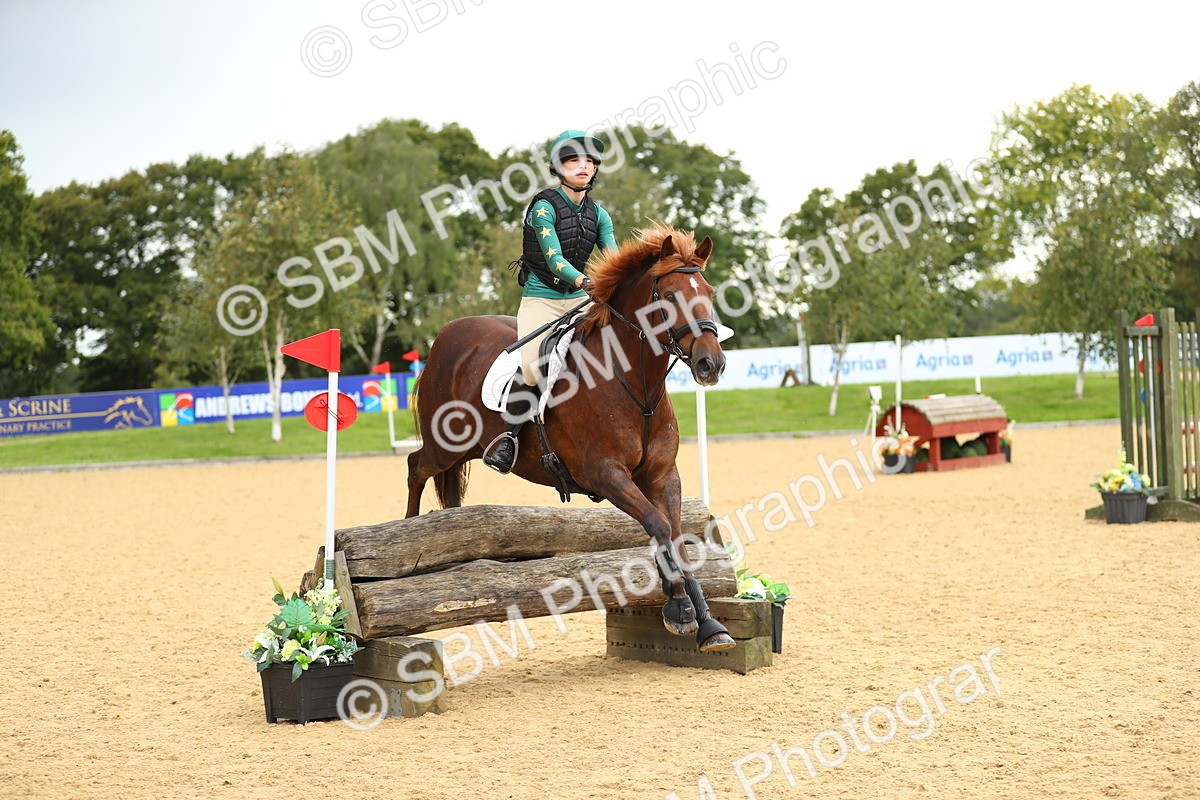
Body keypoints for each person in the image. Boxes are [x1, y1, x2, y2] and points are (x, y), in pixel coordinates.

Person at [483, 130, 618, 473]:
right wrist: (588, 281)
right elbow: (554, 259)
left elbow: (614, 259)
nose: (584, 166)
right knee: (532, 367)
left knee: (613, 350)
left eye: (589, 161)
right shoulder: (543, 207)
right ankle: (509, 439)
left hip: (579, 301)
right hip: (541, 300)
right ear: (559, 168)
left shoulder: (600, 215)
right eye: (574, 160)